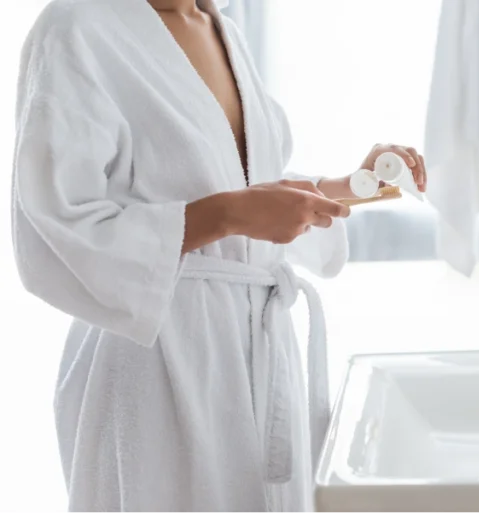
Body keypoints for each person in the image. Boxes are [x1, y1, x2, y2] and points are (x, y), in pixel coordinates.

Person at [11, 0, 427, 512]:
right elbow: (59, 220)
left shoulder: (220, 26)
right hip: (156, 357)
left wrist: (350, 186)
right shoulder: (76, 27)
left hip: (258, 346)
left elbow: (238, 181)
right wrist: (229, 215)